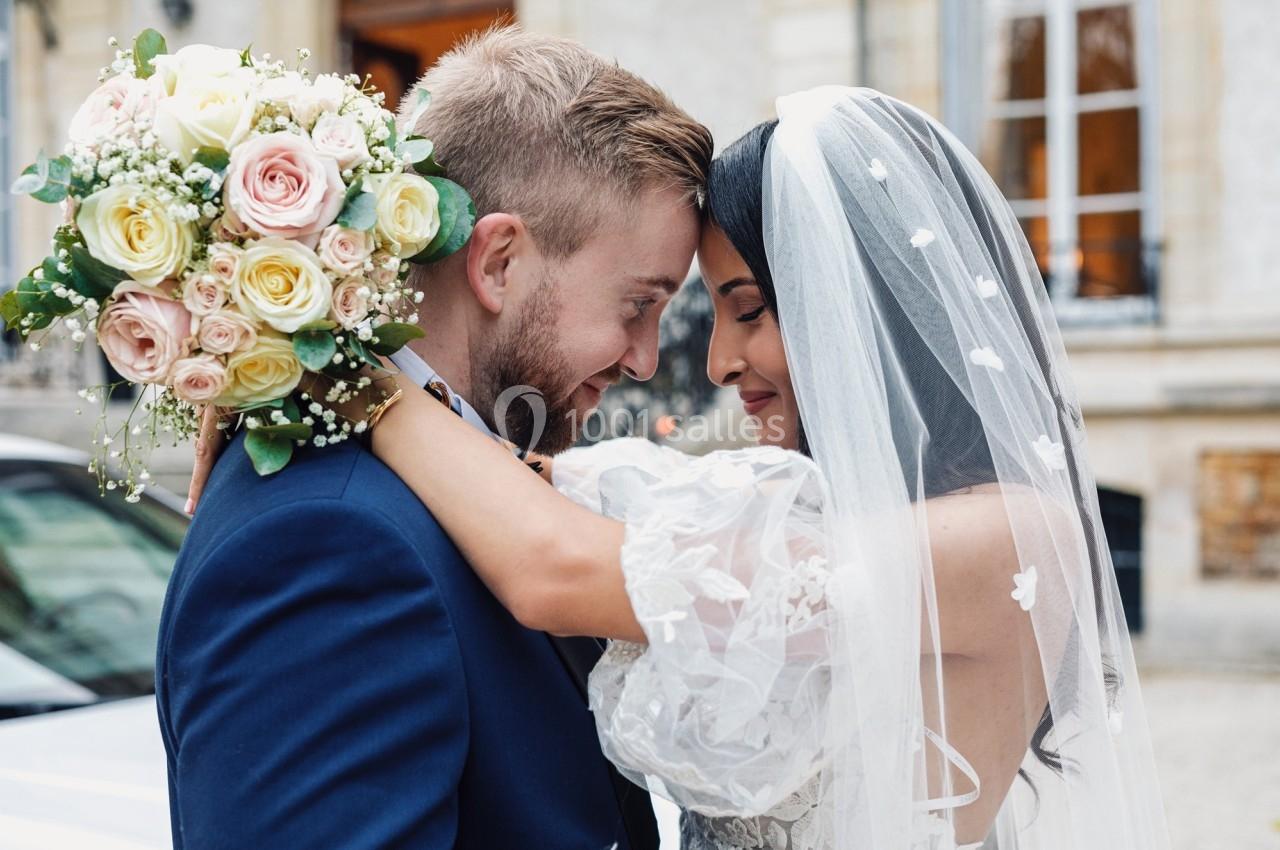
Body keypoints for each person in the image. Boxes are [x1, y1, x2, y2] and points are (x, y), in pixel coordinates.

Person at [228, 87, 1166, 849]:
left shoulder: (1010, 538)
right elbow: (529, 486)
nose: (716, 360)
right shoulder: (804, 510)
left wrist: (354, 380)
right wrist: (260, 366)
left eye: (748, 308)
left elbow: (558, 568)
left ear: (861, 312)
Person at [159, 26, 711, 850]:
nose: (642, 358)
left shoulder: (475, 470)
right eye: (637, 304)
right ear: (497, 263)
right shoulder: (328, 542)